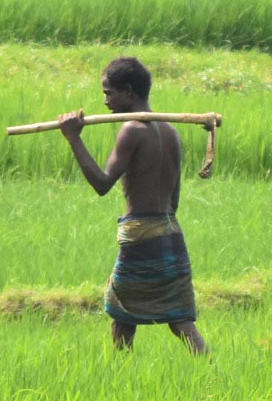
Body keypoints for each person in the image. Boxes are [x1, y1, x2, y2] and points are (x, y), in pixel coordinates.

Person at [57, 56, 207, 355]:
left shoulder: (132, 130)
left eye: (108, 93)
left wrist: (73, 139)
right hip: (170, 233)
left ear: (128, 91)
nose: (105, 101)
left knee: (121, 312)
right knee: (179, 318)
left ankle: (119, 376)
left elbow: (101, 184)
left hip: (140, 235)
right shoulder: (170, 131)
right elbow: (174, 200)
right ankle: (209, 368)